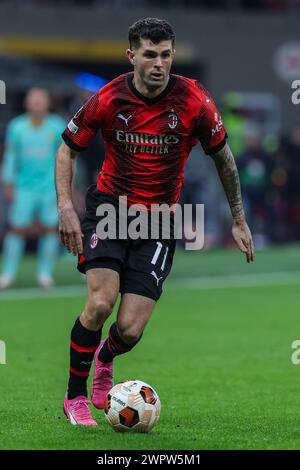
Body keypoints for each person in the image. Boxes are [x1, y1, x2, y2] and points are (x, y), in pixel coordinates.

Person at [56, 18, 255, 426]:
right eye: (149, 54)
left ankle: (105, 356)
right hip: (110, 209)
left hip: (161, 220)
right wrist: (66, 207)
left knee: (129, 328)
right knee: (100, 303)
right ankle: (75, 397)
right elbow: (67, 150)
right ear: (132, 56)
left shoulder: (194, 101)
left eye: (165, 54)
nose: (159, 63)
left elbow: (224, 158)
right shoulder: (109, 98)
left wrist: (238, 219)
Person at [0, 88, 65, 289]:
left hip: (50, 187)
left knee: (49, 229)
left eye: (40, 100)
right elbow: (11, 156)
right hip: (23, 187)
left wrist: (65, 185)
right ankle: (8, 273)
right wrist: (8, 181)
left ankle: (45, 274)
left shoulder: (57, 126)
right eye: (33, 100)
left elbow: (65, 158)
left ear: (47, 103)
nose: (36, 104)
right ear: (27, 103)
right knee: (17, 229)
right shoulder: (17, 127)